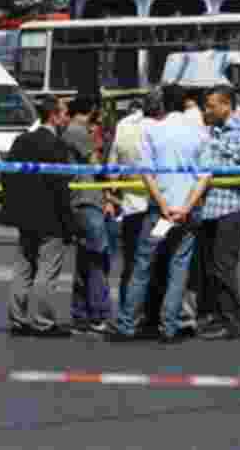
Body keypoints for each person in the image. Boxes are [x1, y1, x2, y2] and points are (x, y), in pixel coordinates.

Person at [111, 84, 206, 345]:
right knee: (179, 267)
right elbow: (204, 176)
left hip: (160, 215)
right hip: (187, 213)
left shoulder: (152, 131)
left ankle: (127, 324)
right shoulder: (199, 133)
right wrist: (186, 207)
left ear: (162, 103)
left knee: (143, 264)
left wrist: (163, 205)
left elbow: (146, 172)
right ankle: (170, 327)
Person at [180, 85, 240, 341]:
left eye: (212, 105)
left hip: (232, 207)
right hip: (211, 208)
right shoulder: (213, 131)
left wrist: (217, 156)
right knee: (210, 268)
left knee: (224, 266)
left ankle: (233, 323)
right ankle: (214, 316)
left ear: (226, 105)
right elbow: (205, 164)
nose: (208, 110)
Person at [0, 94, 74, 338]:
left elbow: (7, 176)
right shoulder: (57, 146)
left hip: (25, 216)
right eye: (64, 113)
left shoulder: (21, 140)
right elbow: (61, 187)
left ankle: (18, 319)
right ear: (54, 116)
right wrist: (69, 222)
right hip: (51, 218)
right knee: (47, 271)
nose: (67, 118)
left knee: (23, 268)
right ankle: (43, 321)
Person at [61, 95, 114, 336]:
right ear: (91, 110)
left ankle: (81, 314)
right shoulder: (78, 132)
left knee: (85, 260)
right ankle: (98, 314)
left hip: (81, 200)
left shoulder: (72, 131)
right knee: (97, 258)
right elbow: (95, 165)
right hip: (86, 201)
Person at [106, 91, 159, 331]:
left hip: (129, 206)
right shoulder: (162, 128)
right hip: (158, 205)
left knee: (131, 264)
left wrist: (111, 194)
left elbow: (113, 165)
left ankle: (128, 313)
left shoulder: (124, 125)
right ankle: (148, 316)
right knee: (154, 263)